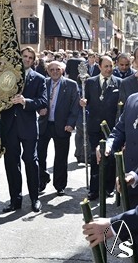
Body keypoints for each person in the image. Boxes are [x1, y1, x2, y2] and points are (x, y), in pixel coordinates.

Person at [1, 46, 47, 213]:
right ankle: (15, 200)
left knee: (30, 162)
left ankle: (35, 199)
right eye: (24, 56)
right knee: (11, 164)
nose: (26, 59)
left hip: (28, 126)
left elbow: (43, 101)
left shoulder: (39, 78)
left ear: (33, 60)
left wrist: (25, 101)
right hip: (9, 127)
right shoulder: (7, 76)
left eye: (30, 57)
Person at [80, 55, 122, 200]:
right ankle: (94, 189)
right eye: (106, 66)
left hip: (111, 129)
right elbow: (86, 100)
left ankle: (108, 188)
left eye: (111, 66)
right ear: (99, 67)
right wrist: (83, 102)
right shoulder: (90, 82)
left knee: (109, 159)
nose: (109, 69)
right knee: (94, 157)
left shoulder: (119, 83)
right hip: (94, 127)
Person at [38, 61, 80, 195]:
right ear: (48, 71)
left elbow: (75, 106)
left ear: (62, 70)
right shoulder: (43, 83)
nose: (55, 71)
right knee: (39, 155)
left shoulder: (71, 85)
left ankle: (60, 185)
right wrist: (40, 109)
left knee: (61, 157)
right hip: (44, 124)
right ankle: (42, 180)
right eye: (51, 70)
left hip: (63, 126)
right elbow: (38, 99)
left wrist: (71, 123)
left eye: (57, 69)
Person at [96, 92, 138, 208]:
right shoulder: (132, 99)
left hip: (132, 177)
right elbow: (119, 130)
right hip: (128, 183)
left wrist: (135, 175)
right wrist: (108, 146)